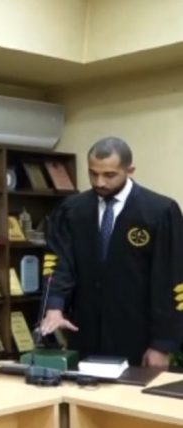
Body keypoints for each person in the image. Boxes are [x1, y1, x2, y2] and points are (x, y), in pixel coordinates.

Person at [40, 136, 183, 368]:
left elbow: (171, 279)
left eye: (109, 175)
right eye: (93, 173)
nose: (100, 182)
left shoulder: (159, 211)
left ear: (130, 170)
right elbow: (59, 262)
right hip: (85, 332)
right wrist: (55, 307)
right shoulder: (72, 210)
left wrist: (163, 345)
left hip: (137, 336)